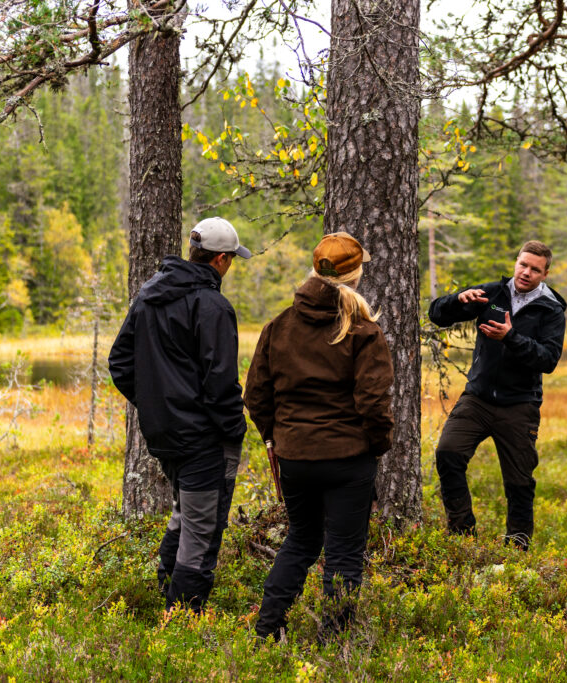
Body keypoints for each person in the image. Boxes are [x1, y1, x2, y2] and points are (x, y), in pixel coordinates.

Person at [245, 231, 393, 642]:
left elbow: (255, 395)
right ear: (356, 275)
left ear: (314, 271)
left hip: (295, 459)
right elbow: (373, 404)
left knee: (301, 541)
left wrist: (276, 438)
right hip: (348, 460)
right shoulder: (363, 331)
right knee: (344, 553)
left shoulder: (279, 326)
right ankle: (334, 642)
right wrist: (376, 446)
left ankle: (267, 630)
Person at [108, 216, 252, 613]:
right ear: (221, 259)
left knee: (186, 515)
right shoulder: (213, 306)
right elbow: (220, 383)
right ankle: (181, 621)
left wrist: (159, 407)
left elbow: (119, 364)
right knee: (202, 533)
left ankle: (165, 591)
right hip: (205, 441)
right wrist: (233, 429)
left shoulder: (149, 295)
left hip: (166, 436)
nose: (230, 265)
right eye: (231, 259)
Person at [428, 240, 567, 551]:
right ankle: (462, 535)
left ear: (545, 274)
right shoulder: (492, 293)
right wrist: (456, 300)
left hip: (520, 405)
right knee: (448, 453)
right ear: (516, 262)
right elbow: (437, 315)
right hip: (477, 399)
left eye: (535, 269)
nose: (526, 272)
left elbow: (548, 360)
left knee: (519, 482)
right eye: (523, 264)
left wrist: (510, 337)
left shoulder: (551, 310)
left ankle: (517, 549)